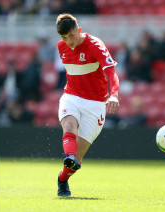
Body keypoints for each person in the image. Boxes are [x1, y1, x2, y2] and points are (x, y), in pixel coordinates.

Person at [54, 14, 120, 197]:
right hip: (71, 96)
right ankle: (69, 156)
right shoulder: (61, 47)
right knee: (69, 125)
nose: (69, 41)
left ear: (78, 30)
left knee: (78, 158)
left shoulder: (95, 45)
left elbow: (112, 72)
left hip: (96, 104)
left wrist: (114, 95)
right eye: (64, 37)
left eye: (71, 36)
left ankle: (62, 178)